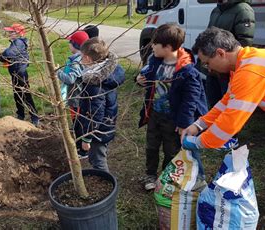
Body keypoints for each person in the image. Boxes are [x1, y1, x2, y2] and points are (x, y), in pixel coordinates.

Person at [136, 23, 208, 191]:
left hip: (172, 119)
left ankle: (167, 176)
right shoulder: (155, 61)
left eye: (155, 44)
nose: (152, 46)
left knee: (171, 150)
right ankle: (150, 175)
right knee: (151, 145)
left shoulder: (187, 71)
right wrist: (139, 80)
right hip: (155, 114)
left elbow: (190, 100)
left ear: (168, 47)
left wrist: (184, 123)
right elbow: (145, 75)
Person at [182, 27, 265, 150]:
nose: (209, 69)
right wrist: (199, 125)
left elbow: (232, 120)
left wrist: (200, 142)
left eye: (207, 63)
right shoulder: (243, 64)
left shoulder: (249, 71)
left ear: (220, 53)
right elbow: (227, 102)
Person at [76, 37, 125, 172]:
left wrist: (87, 138)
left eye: (81, 57)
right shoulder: (108, 73)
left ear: (87, 58)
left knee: (98, 160)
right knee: (98, 155)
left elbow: (95, 114)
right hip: (106, 124)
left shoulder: (94, 84)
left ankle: (106, 182)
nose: (80, 60)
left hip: (98, 130)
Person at [203, 0, 255, 107]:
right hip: (213, 69)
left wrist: (229, 66)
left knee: (227, 105)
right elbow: (207, 37)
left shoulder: (243, 9)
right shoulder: (216, 10)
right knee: (213, 105)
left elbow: (245, 42)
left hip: (227, 71)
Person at [57, 30, 89, 159]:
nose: (68, 45)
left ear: (75, 45)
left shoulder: (77, 62)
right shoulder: (83, 58)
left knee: (78, 123)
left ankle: (82, 151)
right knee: (78, 121)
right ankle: (80, 145)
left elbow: (70, 79)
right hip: (78, 96)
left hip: (77, 97)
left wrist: (57, 71)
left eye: (70, 42)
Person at [0, 23, 39, 126]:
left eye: (11, 32)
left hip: (20, 73)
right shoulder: (15, 43)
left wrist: (2, 56)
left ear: (18, 33)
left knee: (25, 95)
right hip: (15, 73)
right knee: (17, 95)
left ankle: (35, 116)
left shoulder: (19, 42)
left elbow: (8, 54)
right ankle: (20, 114)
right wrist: (3, 56)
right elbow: (7, 54)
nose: (9, 33)